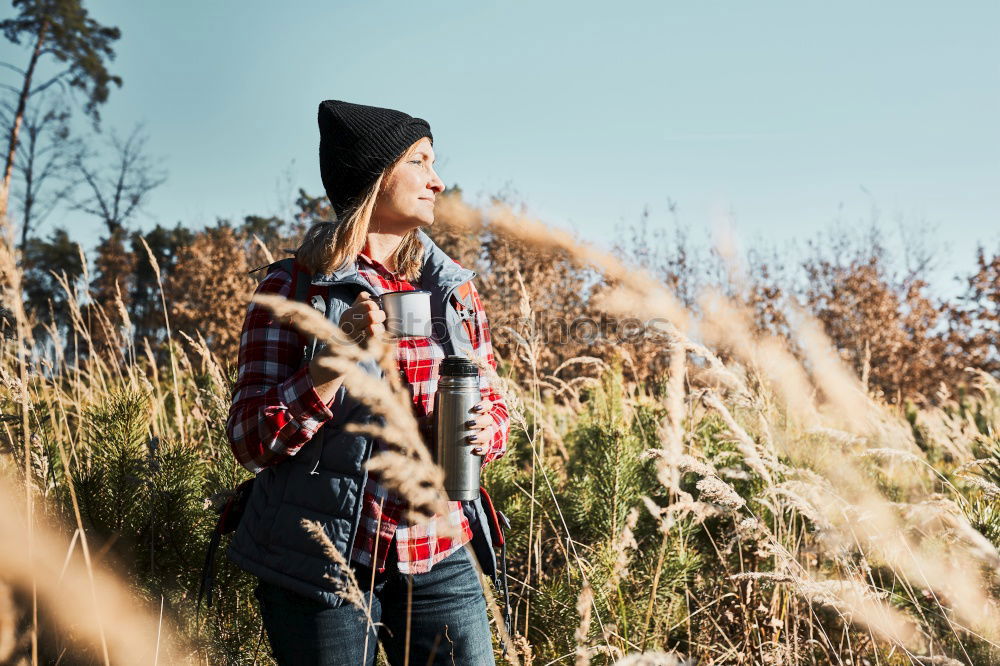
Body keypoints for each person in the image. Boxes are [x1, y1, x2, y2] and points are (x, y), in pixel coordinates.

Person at [225, 100, 510, 665]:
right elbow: (249, 441)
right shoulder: (293, 290)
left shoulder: (451, 290)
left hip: (439, 550)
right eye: (420, 162)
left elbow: (493, 397)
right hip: (320, 563)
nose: (438, 180)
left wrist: (486, 428)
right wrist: (325, 371)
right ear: (376, 177)